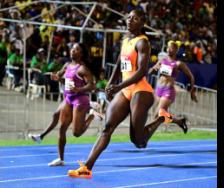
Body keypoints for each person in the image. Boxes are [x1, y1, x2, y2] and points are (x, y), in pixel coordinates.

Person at [68, 9, 169, 178]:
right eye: (128, 18)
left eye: (135, 18)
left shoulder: (143, 43)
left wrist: (119, 85)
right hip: (125, 89)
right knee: (107, 128)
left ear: (142, 22)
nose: (130, 20)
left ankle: (160, 119)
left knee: (137, 141)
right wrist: (110, 84)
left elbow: (142, 71)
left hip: (141, 91)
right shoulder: (125, 40)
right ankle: (87, 167)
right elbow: (119, 64)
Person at [28, 43, 102, 166]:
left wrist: (79, 90)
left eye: (76, 49)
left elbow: (91, 85)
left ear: (81, 53)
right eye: (72, 48)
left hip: (79, 100)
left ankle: (92, 115)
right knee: (62, 128)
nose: (73, 51)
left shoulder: (82, 68)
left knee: (76, 133)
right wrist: (56, 77)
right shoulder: (67, 65)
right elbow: (61, 76)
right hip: (68, 99)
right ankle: (60, 159)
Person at [147, 40, 198, 134]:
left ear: (176, 50)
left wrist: (192, 91)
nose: (169, 49)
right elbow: (152, 69)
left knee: (156, 115)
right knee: (160, 115)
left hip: (168, 90)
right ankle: (179, 121)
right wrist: (152, 69)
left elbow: (191, 76)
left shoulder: (178, 64)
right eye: (168, 47)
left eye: (171, 48)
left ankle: (145, 137)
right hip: (158, 89)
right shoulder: (162, 60)